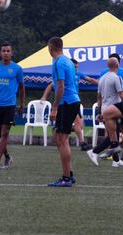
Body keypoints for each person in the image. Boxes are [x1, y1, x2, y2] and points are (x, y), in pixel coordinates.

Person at [41, 58, 98, 151]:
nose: (76, 69)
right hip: (66, 102)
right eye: (74, 67)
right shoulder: (65, 74)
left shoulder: (78, 74)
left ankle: (58, 132)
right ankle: (82, 143)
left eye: (77, 67)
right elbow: (50, 85)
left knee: (79, 124)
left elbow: (90, 79)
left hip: (73, 101)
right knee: (78, 122)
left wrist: (101, 83)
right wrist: (44, 96)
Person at [47, 37, 80, 187]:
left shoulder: (59, 63)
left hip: (66, 103)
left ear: (51, 47)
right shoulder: (67, 61)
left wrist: (54, 107)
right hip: (70, 102)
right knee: (58, 138)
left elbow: (60, 86)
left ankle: (66, 178)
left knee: (62, 139)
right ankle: (69, 174)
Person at [87, 57, 123, 167]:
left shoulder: (102, 78)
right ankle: (94, 152)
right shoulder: (117, 78)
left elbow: (99, 97)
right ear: (117, 65)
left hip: (105, 109)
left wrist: (100, 112)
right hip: (114, 110)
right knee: (112, 137)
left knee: (113, 135)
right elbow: (122, 95)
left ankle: (116, 160)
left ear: (108, 66)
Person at [100, 53, 123, 160]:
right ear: (118, 63)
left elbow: (100, 92)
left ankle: (111, 153)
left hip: (107, 106)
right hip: (121, 105)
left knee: (110, 131)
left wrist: (99, 109)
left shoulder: (103, 73)